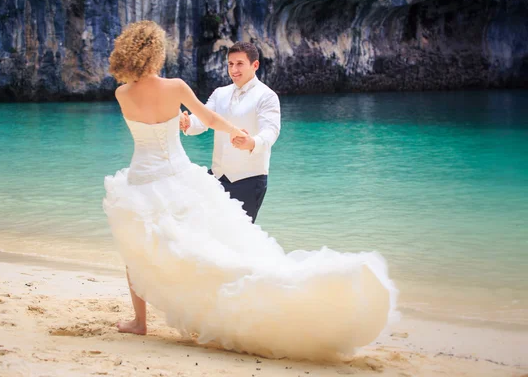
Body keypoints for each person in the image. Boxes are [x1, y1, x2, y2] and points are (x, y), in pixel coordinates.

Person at [103, 20, 398, 360]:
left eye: (238, 63)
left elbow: (188, 124)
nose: (233, 69)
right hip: (177, 176)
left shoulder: (121, 94)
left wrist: (247, 138)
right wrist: (234, 130)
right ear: (156, 52)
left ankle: (139, 321)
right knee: (207, 246)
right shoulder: (176, 87)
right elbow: (209, 120)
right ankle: (217, 304)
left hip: (140, 179)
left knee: (136, 248)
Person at [180, 42, 279, 223]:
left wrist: (252, 143)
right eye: (230, 64)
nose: (234, 69)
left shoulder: (267, 96)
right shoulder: (219, 93)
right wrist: (188, 123)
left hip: (249, 181)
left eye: (239, 63)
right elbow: (204, 118)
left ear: (255, 65)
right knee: (205, 229)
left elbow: (271, 131)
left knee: (239, 239)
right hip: (216, 178)